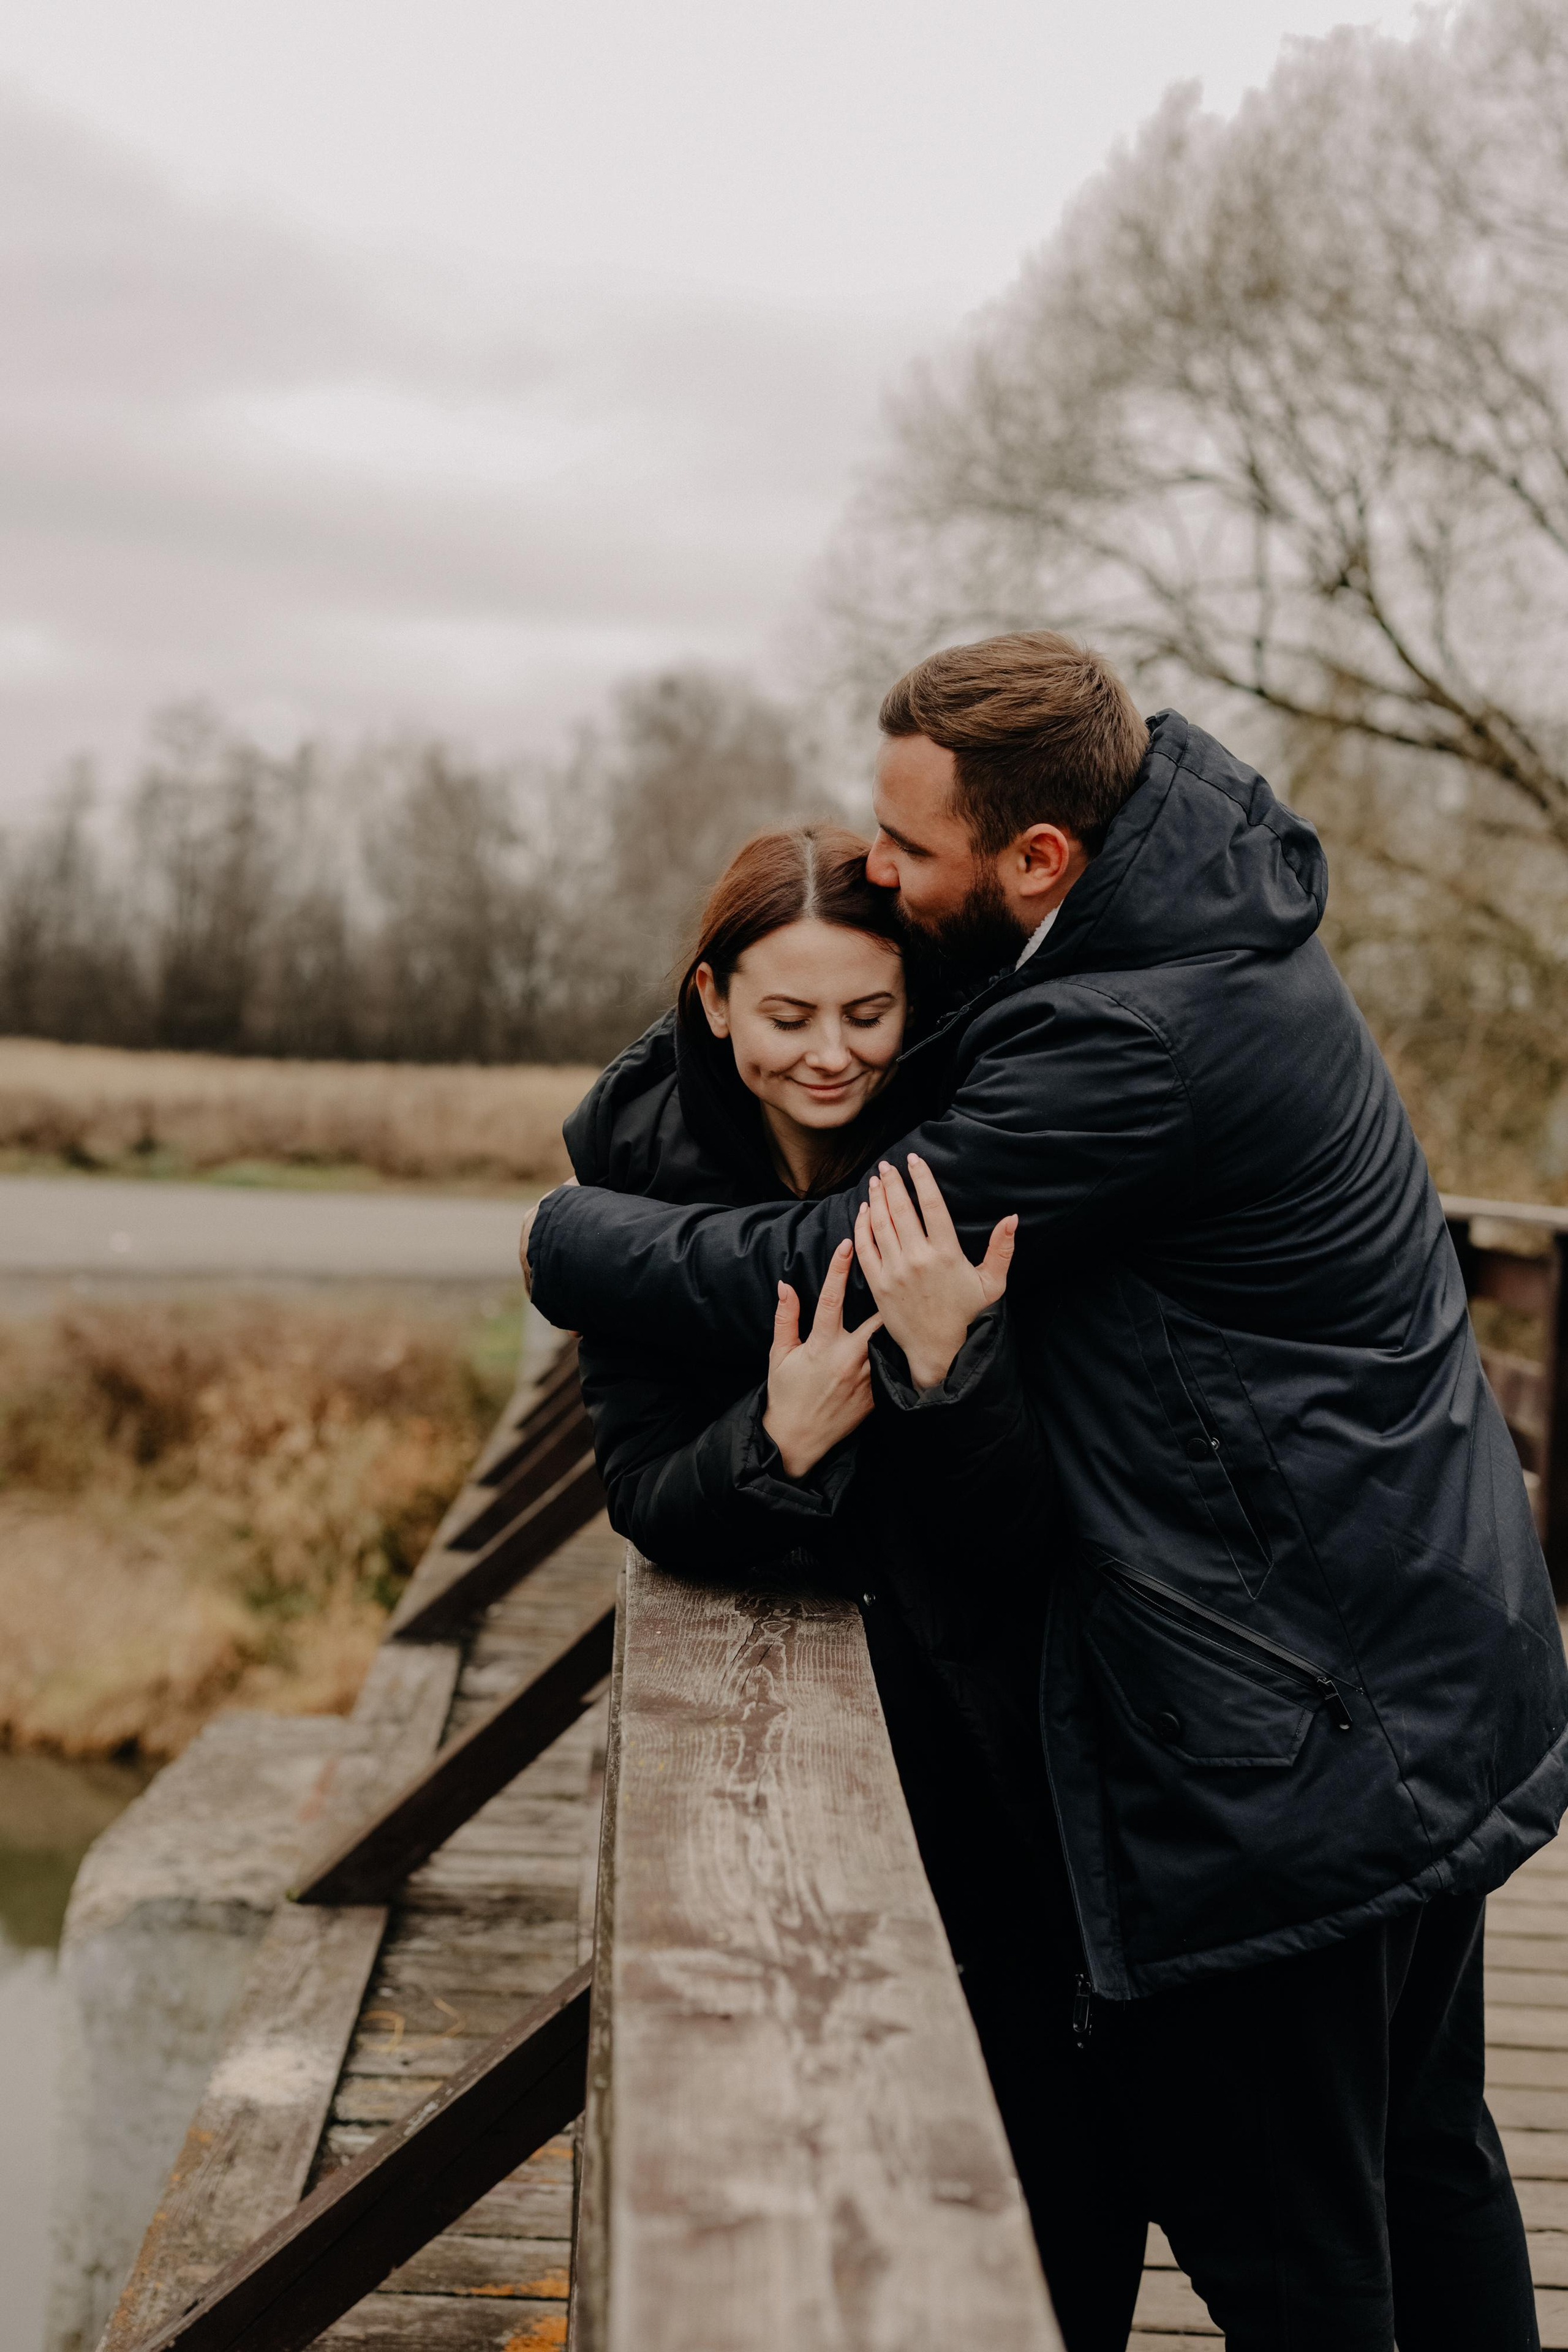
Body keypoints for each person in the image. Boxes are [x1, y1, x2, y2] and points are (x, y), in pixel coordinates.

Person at [526, 631, 1567, 2351]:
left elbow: (839, 1256)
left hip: (1292, 1726)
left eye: (911, 846)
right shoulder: (1192, 933)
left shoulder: (1128, 1039)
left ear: (1038, 859)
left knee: (1295, 2227)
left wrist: (571, 1237)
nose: (878, 867)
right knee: (1425, 2152)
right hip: (1415, 1651)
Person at [563, 822, 1147, 2349]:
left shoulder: (975, 1139)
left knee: (1060, 2148)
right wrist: (773, 1440)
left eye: (867, 1015)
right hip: (794, 1736)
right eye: (788, 1016)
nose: (831, 1055)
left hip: (1010, 1719)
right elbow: (641, 1494)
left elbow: (1034, 1525)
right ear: (712, 1002)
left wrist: (953, 1371)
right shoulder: (634, 1171)